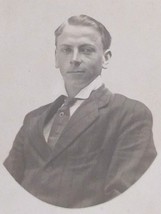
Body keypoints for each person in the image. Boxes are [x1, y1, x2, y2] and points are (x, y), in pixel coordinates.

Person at [3, 14, 157, 208]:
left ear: (105, 58)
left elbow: (125, 197)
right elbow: (6, 186)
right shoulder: (33, 119)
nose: (74, 59)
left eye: (86, 50)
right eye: (66, 50)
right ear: (56, 57)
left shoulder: (129, 114)